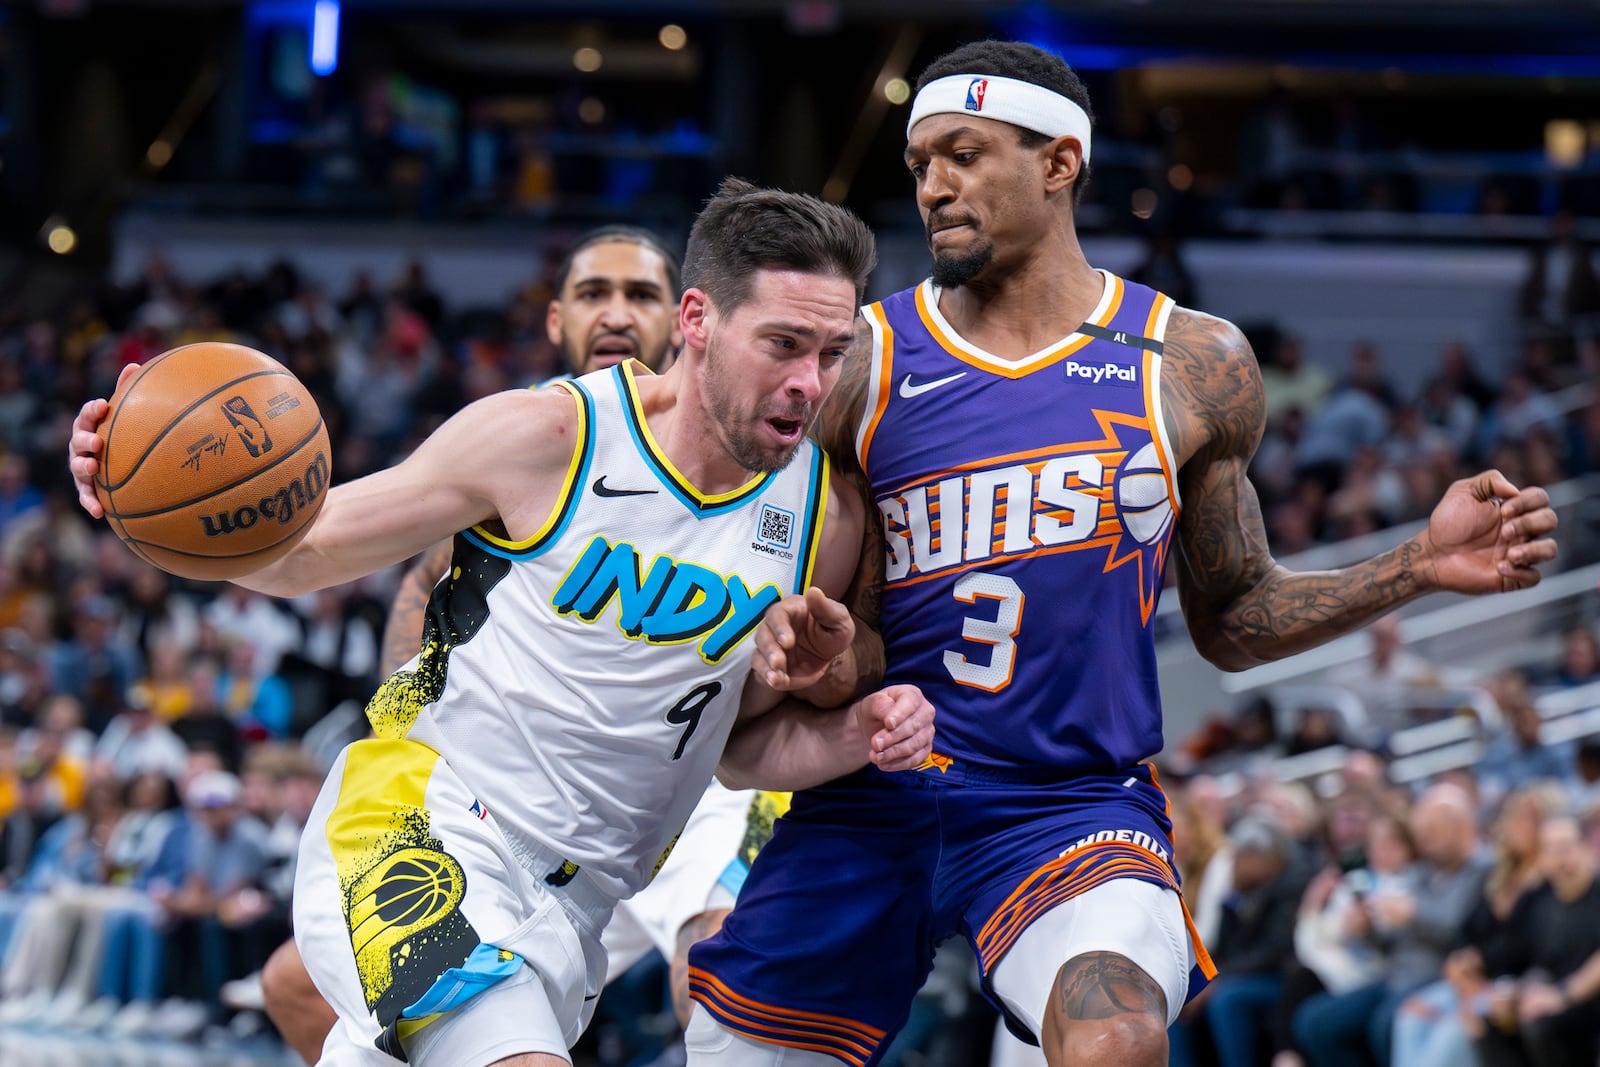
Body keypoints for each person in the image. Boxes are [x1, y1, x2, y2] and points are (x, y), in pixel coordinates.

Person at [684, 40, 1560, 1067]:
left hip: (1063, 804)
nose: (932, 185)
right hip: (867, 791)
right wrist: (825, 656)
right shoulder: (862, 362)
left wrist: (1413, 564)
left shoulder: (1192, 361)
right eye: (920, 163)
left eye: (963, 153)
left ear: (1059, 163)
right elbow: (856, 634)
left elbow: (1232, 618)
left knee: (1115, 1035)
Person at [70, 179, 935, 1067]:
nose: (809, 382)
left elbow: (740, 750)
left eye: (831, 352)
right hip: (423, 825)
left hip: (577, 904)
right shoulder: (545, 437)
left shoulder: (822, 519)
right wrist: (139, 509)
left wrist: (854, 731)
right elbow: (307, 550)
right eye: (783, 344)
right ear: (697, 318)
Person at [250, 224, 792, 1063]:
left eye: (640, 293)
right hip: (522, 801)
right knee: (297, 980)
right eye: (592, 293)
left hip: (697, 779)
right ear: (554, 321)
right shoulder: (537, 435)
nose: (616, 311)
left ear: (690, 319)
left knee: (716, 973)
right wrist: (422, 715)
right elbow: (420, 578)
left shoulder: (771, 448)